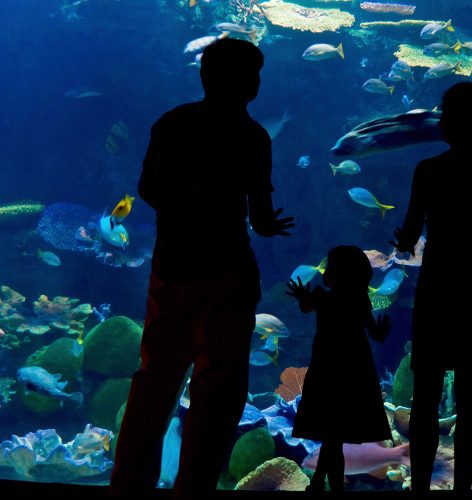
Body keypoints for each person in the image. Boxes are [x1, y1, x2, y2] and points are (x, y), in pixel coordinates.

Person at [109, 38, 294, 500]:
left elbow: (149, 189)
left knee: (155, 380)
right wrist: (270, 228)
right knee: (219, 389)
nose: (255, 83)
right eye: (252, 74)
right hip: (228, 272)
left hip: (173, 267)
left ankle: (129, 484)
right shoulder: (253, 137)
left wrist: (185, 208)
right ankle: (194, 488)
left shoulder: (172, 124)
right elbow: (260, 218)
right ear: (241, 81)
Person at [390, 81, 472, 491]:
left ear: (446, 125)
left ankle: (421, 489)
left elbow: (409, 236)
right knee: (471, 395)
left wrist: (404, 242)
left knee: (425, 394)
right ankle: (462, 491)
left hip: (439, 283)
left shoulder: (429, 170)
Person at [286, 245, 392, 492]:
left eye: (330, 266)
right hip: (355, 370)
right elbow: (374, 333)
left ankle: (320, 484)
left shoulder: (324, 297)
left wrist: (303, 297)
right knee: (336, 434)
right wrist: (382, 330)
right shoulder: (360, 299)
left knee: (332, 434)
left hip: (327, 368)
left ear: (337, 272)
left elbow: (306, 307)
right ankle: (326, 485)